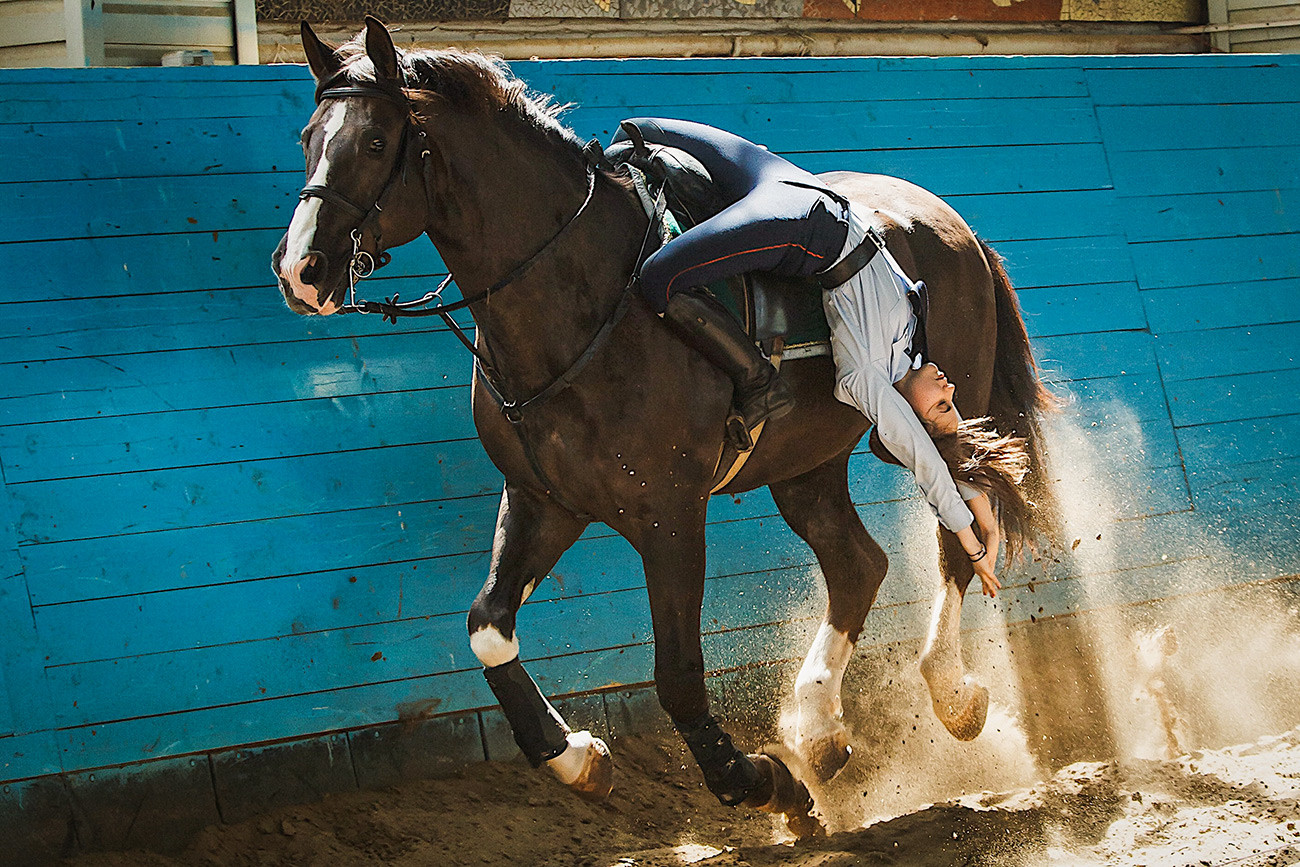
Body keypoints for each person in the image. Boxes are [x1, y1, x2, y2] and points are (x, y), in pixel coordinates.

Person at [612, 118, 1031, 594]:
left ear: (905, 416)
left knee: (657, 280)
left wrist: (972, 542)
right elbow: (941, 456)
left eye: (941, 406)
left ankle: (756, 383)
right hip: (790, 181)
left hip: (805, 228)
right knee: (636, 130)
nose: (951, 388)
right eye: (953, 401)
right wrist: (972, 486)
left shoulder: (871, 383)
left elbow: (924, 462)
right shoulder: (911, 350)